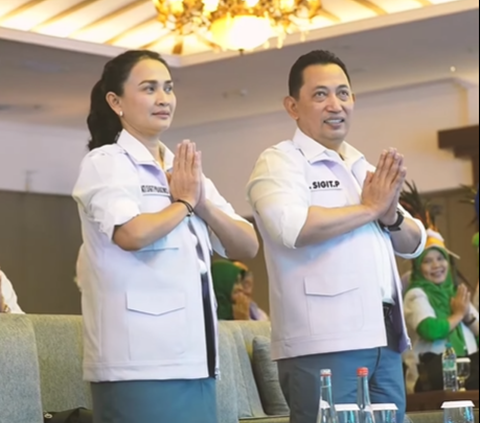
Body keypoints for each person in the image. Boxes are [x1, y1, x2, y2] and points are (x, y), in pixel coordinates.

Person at [72, 50, 258, 423]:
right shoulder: (105, 163)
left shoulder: (184, 169)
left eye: (169, 88)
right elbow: (131, 233)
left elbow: (247, 244)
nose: (163, 98)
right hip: (138, 364)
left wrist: (200, 204)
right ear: (116, 101)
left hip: (196, 359)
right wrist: (185, 203)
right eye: (149, 88)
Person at [246, 50, 426, 423]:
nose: (335, 105)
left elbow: (415, 242)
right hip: (324, 342)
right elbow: (291, 227)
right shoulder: (280, 160)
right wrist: (369, 210)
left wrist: (390, 216)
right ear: (292, 106)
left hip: (385, 341)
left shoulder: (364, 166)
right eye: (320, 95)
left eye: (343, 94)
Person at [403, 230, 479, 393]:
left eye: (440, 258)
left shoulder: (456, 292)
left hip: (468, 379)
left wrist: (467, 317)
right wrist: (458, 314)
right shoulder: (416, 295)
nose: (436, 265)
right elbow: (430, 329)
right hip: (429, 383)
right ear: (418, 267)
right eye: (428, 261)